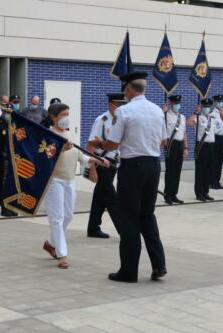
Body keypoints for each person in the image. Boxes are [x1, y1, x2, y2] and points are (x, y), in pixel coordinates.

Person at [94, 71, 167, 283]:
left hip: (132, 166)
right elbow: (163, 141)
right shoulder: (157, 110)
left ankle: (129, 271)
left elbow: (113, 144)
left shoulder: (124, 111)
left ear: (128, 88)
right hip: (153, 165)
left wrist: (100, 142)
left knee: (129, 218)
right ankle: (159, 264)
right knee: (147, 215)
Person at [42, 102, 108, 269]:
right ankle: (61, 255)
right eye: (63, 115)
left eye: (67, 114)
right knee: (57, 218)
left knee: (68, 216)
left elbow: (82, 157)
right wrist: (61, 149)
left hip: (69, 181)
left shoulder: (69, 136)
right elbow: (46, 158)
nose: (66, 118)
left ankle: (51, 243)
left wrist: (98, 160)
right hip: (54, 182)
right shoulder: (48, 135)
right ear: (53, 117)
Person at [85, 93, 124, 239]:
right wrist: (92, 168)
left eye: (122, 105)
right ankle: (123, 230)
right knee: (112, 198)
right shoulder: (102, 120)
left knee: (100, 197)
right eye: (118, 105)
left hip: (113, 162)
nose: (121, 107)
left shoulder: (120, 120)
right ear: (111, 104)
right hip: (102, 163)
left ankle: (93, 228)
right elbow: (90, 145)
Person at [187, 98, 216, 202]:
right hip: (201, 146)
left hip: (211, 146)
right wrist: (195, 112)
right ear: (202, 107)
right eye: (205, 106)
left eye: (208, 106)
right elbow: (189, 123)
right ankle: (199, 193)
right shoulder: (198, 117)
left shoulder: (212, 119)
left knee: (208, 170)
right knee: (200, 170)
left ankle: (205, 192)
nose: (207, 108)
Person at [0, 105, 18, 217]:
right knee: (2, 182)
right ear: (2, 112)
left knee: (11, 183)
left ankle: (9, 206)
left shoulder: (13, 126)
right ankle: (3, 207)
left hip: (12, 158)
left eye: (10, 112)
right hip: (3, 157)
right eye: (6, 112)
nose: (8, 114)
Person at [162, 95, 188, 205]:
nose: (178, 105)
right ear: (171, 104)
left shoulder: (182, 117)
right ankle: (167, 195)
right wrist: (162, 113)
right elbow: (160, 128)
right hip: (170, 144)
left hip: (179, 144)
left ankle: (174, 194)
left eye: (179, 103)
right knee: (170, 171)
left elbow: (184, 133)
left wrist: (185, 147)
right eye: (175, 103)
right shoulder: (165, 115)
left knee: (177, 171)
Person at [210, 94, 223, 190]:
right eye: (218, 102)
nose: (220, 103)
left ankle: (217, 181)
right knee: (214, 161)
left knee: (220, 161)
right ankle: (212, 182)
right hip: (215, 138)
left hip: (222, 139)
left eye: (221, 101)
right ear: (214, 102)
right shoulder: (212, 115)